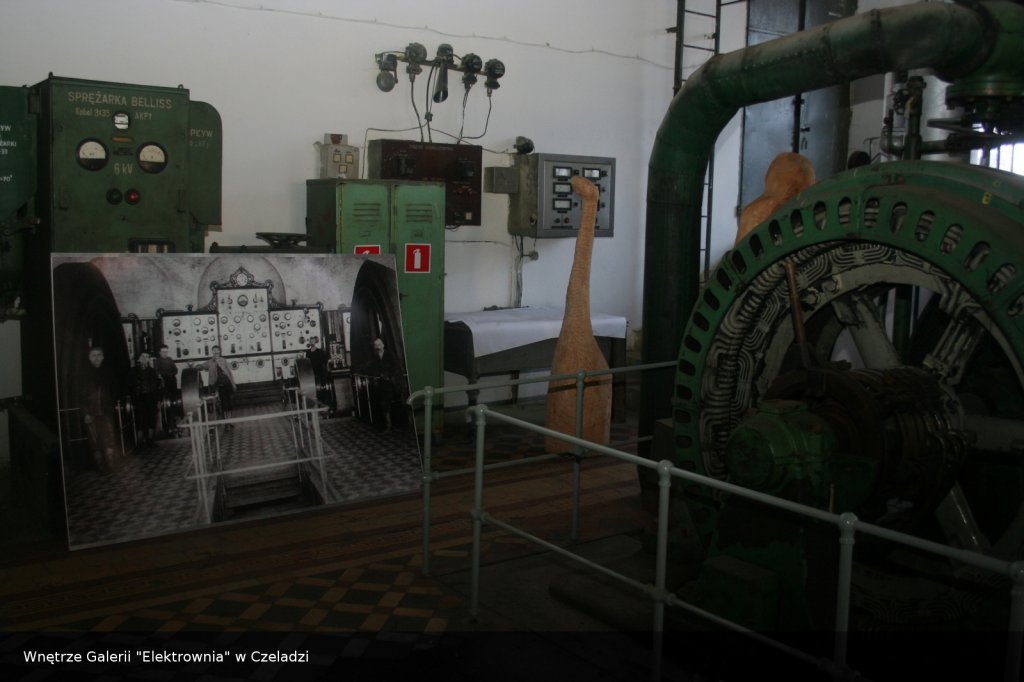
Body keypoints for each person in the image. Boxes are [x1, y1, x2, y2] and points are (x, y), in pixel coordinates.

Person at [81, 346, 119, 472]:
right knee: (94, 440)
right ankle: (100, 466)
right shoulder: (84, 374)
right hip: (91, 412)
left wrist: (112, 404)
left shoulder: (108, 373)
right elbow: (81, 395)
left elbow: (114, 391)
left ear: (103, 357)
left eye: (99, 355)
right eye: (93, 355)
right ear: (89, 357)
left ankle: (110, 464)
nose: (96, 358)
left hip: (106, 412)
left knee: (109, 437)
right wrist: (85, 413)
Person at [365, 337, 401, 432]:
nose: (378, 347)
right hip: (381, 384)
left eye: (379, 344)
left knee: (389, 403)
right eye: (376, 345)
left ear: (383, 345)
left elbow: (396, 367)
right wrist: (375, 377)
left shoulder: (390, 355)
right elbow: (373, 369)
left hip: (391, 383)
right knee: (383, 404)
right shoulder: (375, 358)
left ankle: (394, 425)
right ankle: (388, 425)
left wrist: (388, 375)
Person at [130, 351, 160, 449]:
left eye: (147, 357)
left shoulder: (152, 371)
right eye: (143, 356)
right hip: (139, 399)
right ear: (139, 358)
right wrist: (133, 399)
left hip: (150, 398)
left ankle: (150, 441)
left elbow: (155, 387)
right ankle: (139, 443)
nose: (145, 358)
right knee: (140, 420)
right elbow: (130, 386)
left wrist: (156, 400)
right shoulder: (133, 371)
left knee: (151, 419)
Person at [203, 345, 237, 430]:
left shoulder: (223, 360)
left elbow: (229, 373)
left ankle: (229, 422)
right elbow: (203, 366)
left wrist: (233, 384)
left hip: (228, 384)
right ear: (212, 352)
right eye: (214, 350)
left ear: (220, 351)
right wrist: (195, 366)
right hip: (219, 386)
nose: (216, 352)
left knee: (230, 405)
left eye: (217, 350)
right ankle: (226, 424)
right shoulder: (210, 362)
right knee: (223, 405)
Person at [154, 344, 179, 436]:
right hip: (164, 384)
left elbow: (175, 370)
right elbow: (157, 371)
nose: (165, 353)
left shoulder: (170, 359)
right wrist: (165, 375)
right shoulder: (157, 361)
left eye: (166, 351)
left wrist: (171, 374)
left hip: (172, 383)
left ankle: (174, 424)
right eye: (163, 352)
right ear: (159, 352)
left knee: (174, 403)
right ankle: (168, 426)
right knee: (167, 405)